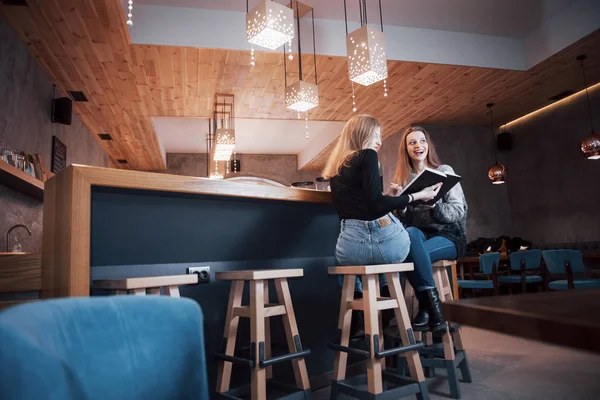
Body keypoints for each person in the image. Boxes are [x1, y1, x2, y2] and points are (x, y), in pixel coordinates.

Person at [323, 115, 442, 337]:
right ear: (363, 134)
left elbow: (366, 205)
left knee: (346, 265)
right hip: (387, 248)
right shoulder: (367, 156)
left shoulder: (336, 168)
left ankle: (359, 319)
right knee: (411, 235)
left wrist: (389, 196)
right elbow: (376, 206)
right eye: (376, 134)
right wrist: (417, 196)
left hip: (350, 252)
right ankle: (402, 313)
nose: (379, 140)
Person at [391, 126, 468, 332]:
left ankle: (428, 308)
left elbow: (458, 211)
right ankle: (433, 310)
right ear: (406, 149)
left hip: (450, 236)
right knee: (409, 235)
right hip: (420, 237)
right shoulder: (405, 181)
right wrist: (400, 202)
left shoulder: (444, 171)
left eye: (422, 141)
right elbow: (406, 222)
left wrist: (434, 205)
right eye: (412, 142)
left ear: (428, 145)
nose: (418, 146)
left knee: (411, 254)